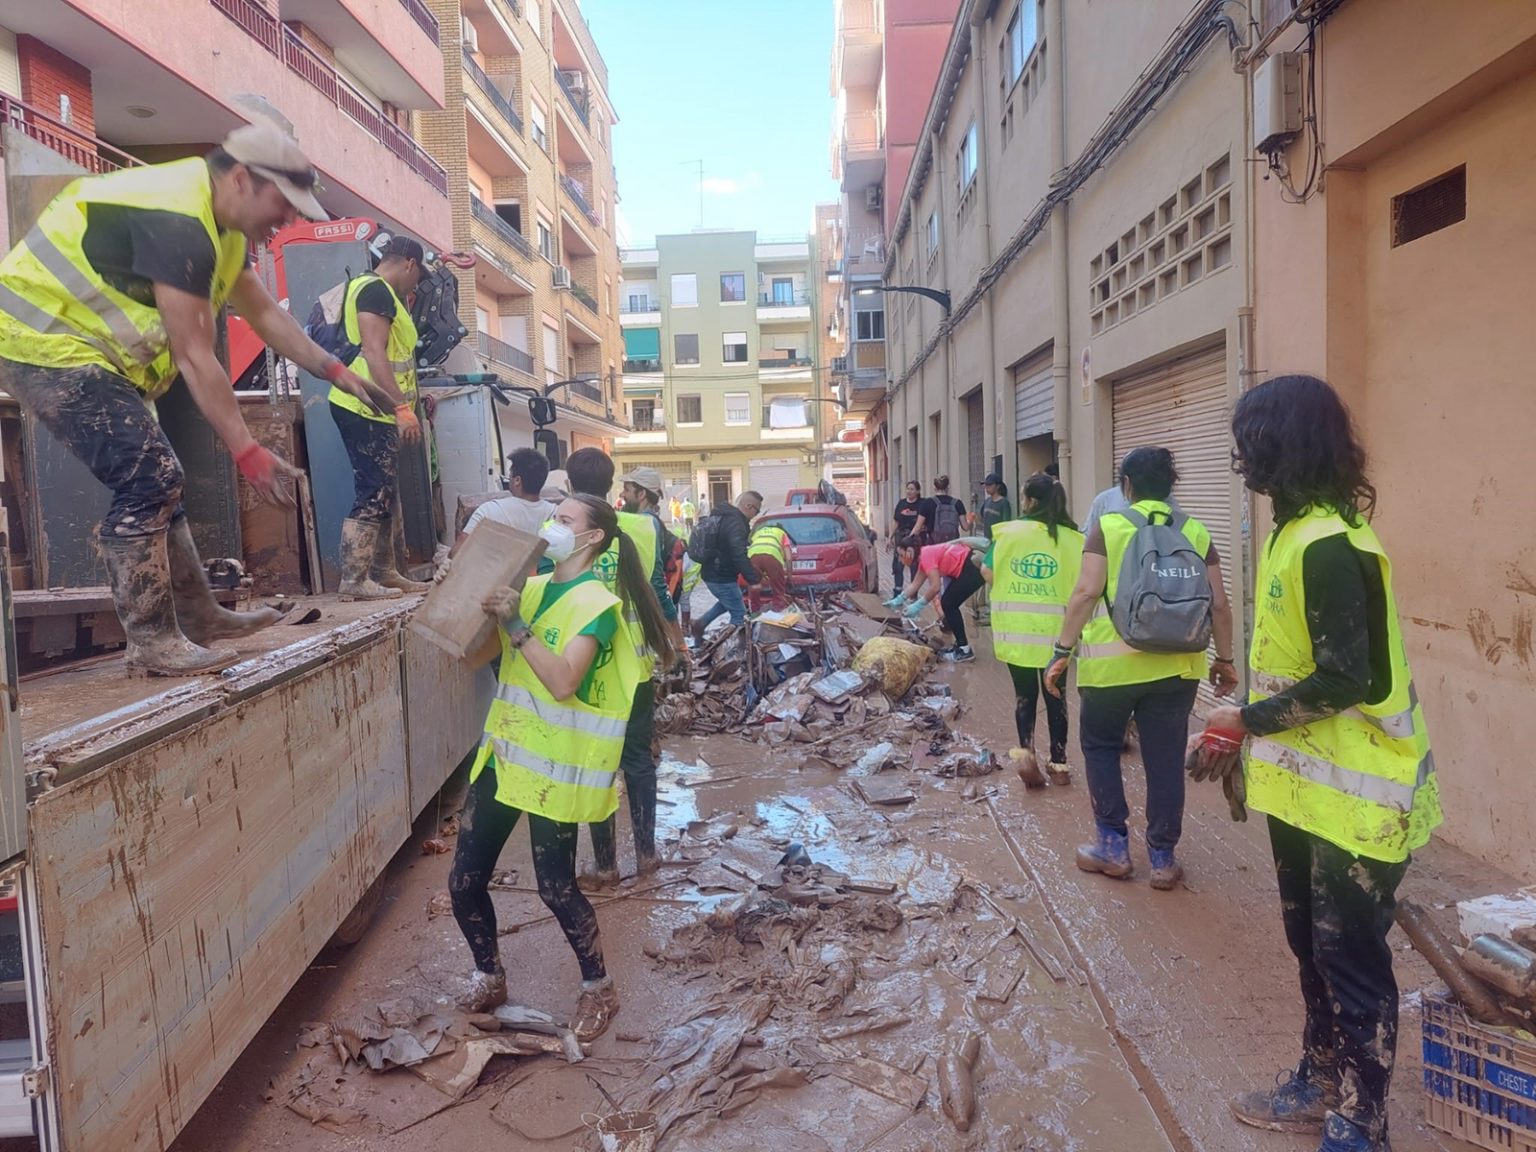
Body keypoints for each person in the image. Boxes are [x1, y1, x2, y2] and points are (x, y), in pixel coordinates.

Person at [0, 122, 384, 676]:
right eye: (283, 203)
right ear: (242, 179)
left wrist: (333, 370)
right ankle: (152, 642)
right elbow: (195, 356)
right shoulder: (178, 219)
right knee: (150, 477)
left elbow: (263, 311)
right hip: (36, 341)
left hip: (88, 351)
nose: (288, 219)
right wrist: (247, 450)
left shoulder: (222, 227)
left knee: (160, 481)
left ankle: (197, 616)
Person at [1204, 376, 1441, 1152]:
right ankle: (1320, 1080)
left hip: (1361, 799)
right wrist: (1244, 734)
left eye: (1249, 441)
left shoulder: (1333, 545)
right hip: (1307, 793)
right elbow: (1291, 664)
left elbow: (1349, 679)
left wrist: (1243, 720)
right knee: (1311, 946)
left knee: (1352, 959)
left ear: (1282, 444)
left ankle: (1362, 1121)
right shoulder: (1292, 533)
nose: (1240, 457)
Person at [450, 493, 674, 1038]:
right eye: (552, 516)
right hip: (504, 757)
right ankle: (489, 974)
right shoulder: (529, 587)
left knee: (556, 888)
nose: (552, 525)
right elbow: (472, 654)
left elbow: (562, 681)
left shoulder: (596, 604)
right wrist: (466, 594)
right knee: (463, 881)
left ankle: (599, 987)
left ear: (592, 538)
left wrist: (517, 624)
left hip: (554, 771)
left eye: (565, 520)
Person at [1044, 447, 1237, 889]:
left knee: (1101, 748)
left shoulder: (1108, 527)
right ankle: (1163, 858)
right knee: (1165, 760)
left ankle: (1112, 848)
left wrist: (1061, 651)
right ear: (1172, 485)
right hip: (1177, 670)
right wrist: (1224, 660)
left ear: (1126, 486)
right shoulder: (1195, 530)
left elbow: (1086, 592)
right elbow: (1220, 605)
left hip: (1110, 671)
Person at [565, 453, 685, 886]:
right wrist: (675, 644)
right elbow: (656, 592)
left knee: (598, 763)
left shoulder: (561, 532)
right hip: (634, 668)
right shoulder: (641, 528)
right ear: (612, 484)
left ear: (570, 484)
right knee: (637, 761)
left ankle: (606, 864)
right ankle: (647, 854)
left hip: (586, 670)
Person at [325, 234, 429, 600]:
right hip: (366, 405)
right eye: (418, 277)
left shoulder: (371, 289)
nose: (415, 286)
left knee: (384, 490)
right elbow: (374, 352)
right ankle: (354, 578)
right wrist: (400, 408)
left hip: (371, 405)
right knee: (373, 489)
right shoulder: (377, 291)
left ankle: (385, 572)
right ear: (410, 264)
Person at [984, 473, 1083, 785]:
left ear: (1030, 500)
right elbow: (1085, 585)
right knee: (1056, 696)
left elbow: (987, 571)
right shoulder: (1074, 539)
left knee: (1024, 696)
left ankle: (1026, 755)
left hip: (1017, 632)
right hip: (1058, 636)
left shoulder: (1008, 533)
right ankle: (1059, 764)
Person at [888, 535, 985, 662]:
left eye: (901, 555)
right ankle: (960, 646)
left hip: (972, 567)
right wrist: (899, 599)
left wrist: (918, 605)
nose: (900, 560)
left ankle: (964, 650)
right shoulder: (924, 557)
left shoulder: (926, 557)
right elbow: (915, 584)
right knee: (949, 603)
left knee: (948, 603)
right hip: (969, 567)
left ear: (910, 552)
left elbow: (935, 587)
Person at [692, 491, 762, 636]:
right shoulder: (735, 523)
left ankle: (700, 624)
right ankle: (734, 646)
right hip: (721, 576)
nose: (756, 515)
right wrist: (753, 580)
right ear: (749, 506)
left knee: (728, 602)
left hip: (712, 572)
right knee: (739, 615)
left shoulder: (725, 517)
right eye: (757, 511)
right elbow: (738, 553)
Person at [889, 480, 934, 591]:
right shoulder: (901, 503)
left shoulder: (923, 504)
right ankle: (898, 590)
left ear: (918, 491)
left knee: (914, 566)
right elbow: (896, 521)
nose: (909, 491)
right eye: (908, 489)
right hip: (901, 537)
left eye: (912, 489)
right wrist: (890, 536)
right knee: (898, 565)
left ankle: (913, 593)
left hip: (916, 539)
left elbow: (929, 519)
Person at [746, 518, 792, 609]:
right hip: (772, 555)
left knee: (754, 586)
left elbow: (752, 545)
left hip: (752, 556)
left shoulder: (758, 532)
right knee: (778, 590)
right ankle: (777, 611)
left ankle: (755, 612)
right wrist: (789, 577)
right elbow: (789, 558)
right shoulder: (782, 533)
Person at [972, 472, 1013, 539]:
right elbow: (982, 520)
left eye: (990, 485)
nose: (987, 487)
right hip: (987, 539)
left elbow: (1006, 524)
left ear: (998, 486)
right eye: (986, 485)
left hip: (998, 539)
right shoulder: (987, 501)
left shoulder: (1004, 503)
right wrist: (974, 517)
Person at [929, 475, 966, 543]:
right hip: (953, 543)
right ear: (948, 487)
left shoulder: (928, 503)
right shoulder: (957, 503)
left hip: (934, 544)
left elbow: (918, 527)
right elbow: (965, 527)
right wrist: (970, 520)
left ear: (934, 487)